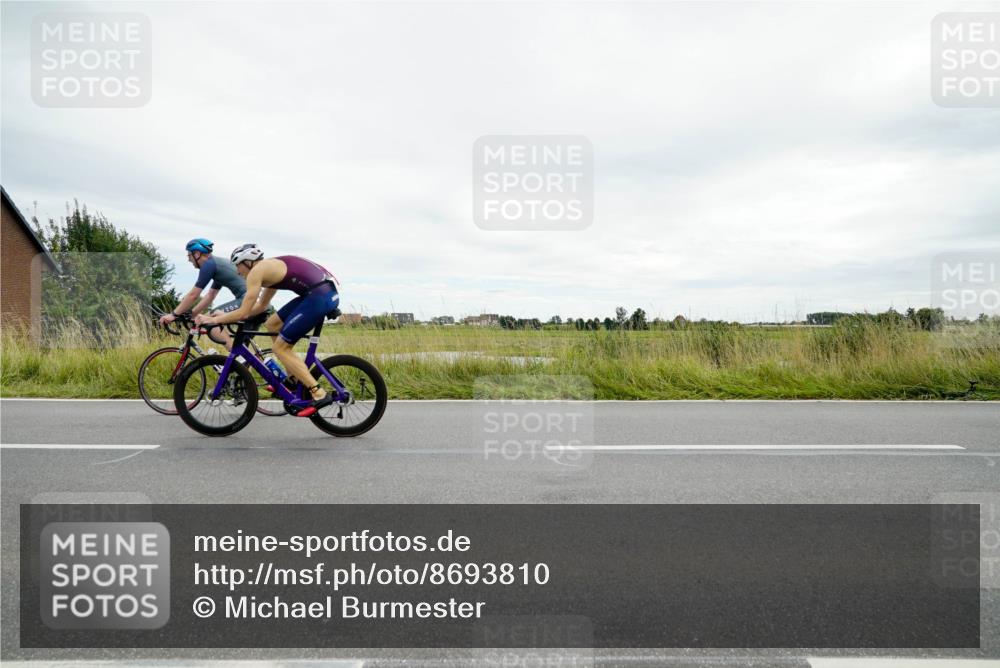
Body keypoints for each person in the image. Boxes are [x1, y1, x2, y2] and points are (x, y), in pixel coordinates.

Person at [195, 244, 340, 415]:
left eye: (237, 265)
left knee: (280, 348)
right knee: (272, 324)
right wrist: (219, 316)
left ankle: (318, 393)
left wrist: (213, 319)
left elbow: (244, 313)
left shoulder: (257, 271)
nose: (237, 270)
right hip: (320, 293)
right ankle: (293, 378)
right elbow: (261, 306)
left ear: (248, 262)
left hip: (319, 296)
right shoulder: (269, 271)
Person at [158, 238, 246, 351]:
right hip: (256, 303)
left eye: (189, 255)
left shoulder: (209, 265)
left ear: (197, 254)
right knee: (246, 358)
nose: (189, 260)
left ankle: (236, 355)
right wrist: (193, 314)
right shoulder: (217, 265)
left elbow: (193, 295)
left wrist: (174, 314)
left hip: (246, 301)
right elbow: (210, 295)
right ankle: (242, 361)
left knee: (212, 318)